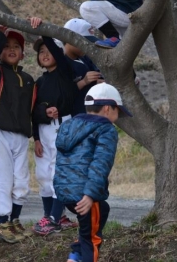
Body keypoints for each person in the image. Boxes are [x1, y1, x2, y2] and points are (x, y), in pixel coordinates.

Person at [54, 83, 132, 262]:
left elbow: (64, 162)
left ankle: (75, 255)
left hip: (65, 192)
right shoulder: (106, 129)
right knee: (92, 239)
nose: (117, 115)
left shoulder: (68, 126)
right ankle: (79, 254)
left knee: (101, 210)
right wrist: (89, 195)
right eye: (117, 110)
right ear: (107, 108)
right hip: (84, 194)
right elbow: (100, 165)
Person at [0, 25, 36, 244]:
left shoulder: (28, 79)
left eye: (16, 46)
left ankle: (14, 220)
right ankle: (2, 221)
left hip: (21, 135)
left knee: (21, 182)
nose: (11, 49)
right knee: (2, 180)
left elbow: (34, 110)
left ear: (23, 53)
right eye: (6, 46)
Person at [28, 17, 80, 235]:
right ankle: (55, 216)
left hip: (64, 127)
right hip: (44, 130)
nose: (45, 55)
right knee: (43, 174)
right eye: (40, 53)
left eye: (48, 50)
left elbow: (57, 53)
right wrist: (37, 138)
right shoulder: (39, 82)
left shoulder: (65, 73)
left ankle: (52, 218)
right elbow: (32, 111)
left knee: (59, 172)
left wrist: (44, 32)